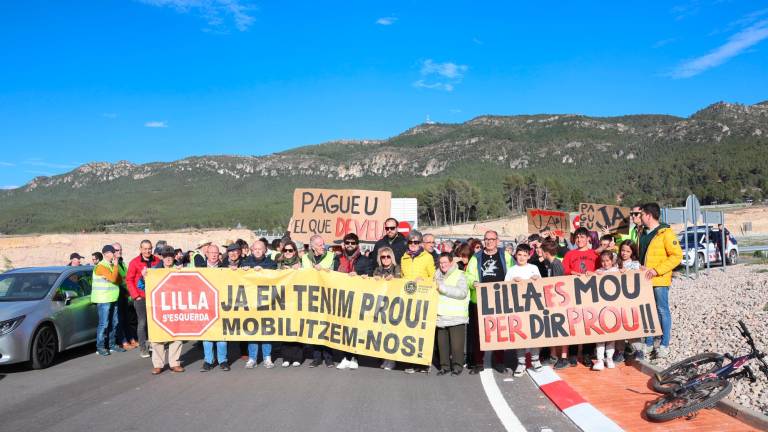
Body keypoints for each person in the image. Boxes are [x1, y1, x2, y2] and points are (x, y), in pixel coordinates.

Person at [638, 202, 683, 360]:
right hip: (644, 280)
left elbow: (677, 256)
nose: (640, 217)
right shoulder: (642, 233)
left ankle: (664, 345)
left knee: (662, 310)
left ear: (649, 215)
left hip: (659, 280)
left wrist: (656, 270)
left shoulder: (665, 233)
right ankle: (649, 342)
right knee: (648, 311)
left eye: (641, 214)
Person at [465, 230, 513, 374]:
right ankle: (479, 362)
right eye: (486, 239)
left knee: (499, 331)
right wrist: (473, 283)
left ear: (497, 240)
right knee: (478, 333)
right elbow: (468, 275)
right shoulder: (476, 257)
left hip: (500, 300)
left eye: (492, 239)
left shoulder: (505, 256)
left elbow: (512, 273)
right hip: (479, 300)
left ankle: (499, 361)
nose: (489, 241)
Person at [332, 233, 370, 370]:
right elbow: (332, 276)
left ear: (357, 245)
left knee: (355, 329)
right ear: (344, 244)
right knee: (343, 329)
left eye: (352, 243)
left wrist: (359, 277)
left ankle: (355, 357)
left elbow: (370, 277)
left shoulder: (365, 260)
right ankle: (345, 357)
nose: (349, 245)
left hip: (358, 300)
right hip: (341, 299)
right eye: (347, 242)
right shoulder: (337, 259)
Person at [400, 230, 436, 374]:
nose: (413, 244)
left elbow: (433, 277)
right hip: (408, 298)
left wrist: (423, 281)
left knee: (422, 331)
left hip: (423, 298)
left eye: (416, 242)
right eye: (411, 242)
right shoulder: (404, 258)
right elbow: (402, 276)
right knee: (409, 330)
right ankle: (411, 361)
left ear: (420, 243)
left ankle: (423, 362)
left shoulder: (427, 257)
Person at [505, 244, 542, 376]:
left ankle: (535, 360)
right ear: (516, 255)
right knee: (520, 335)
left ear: (529, 256)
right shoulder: (511, 270)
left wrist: (537, 279)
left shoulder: (534, 268)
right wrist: (512, 282)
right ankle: (521, 363)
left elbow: (542, 287)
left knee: (535, 333)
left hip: (533, 306)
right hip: (517, 307)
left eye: (525, 255)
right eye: (519, 254)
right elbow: (504, 288)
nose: (522, 257)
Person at [149, 247, 185, 374]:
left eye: (171, 256)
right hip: (159, 307)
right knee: (157, 335)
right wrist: (144, 277)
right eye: (166, 256)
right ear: (161, 257)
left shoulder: (181, 269)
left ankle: (174, 362)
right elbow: (141, 285)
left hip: (176, 307)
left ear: (174, 257)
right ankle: (158, 364)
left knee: (177, 335)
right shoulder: (153, 271)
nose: (168, 258)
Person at [301, 235, 335, 368]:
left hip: (326, 295)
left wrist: (324, 270)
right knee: (315, 327)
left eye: (323, 244)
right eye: (320, 245)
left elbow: (334, 274)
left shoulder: (331, 256)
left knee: (326, 326)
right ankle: (316, 357)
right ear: (312, 246)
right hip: (312, 296)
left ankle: (328, 357)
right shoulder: (304, 258)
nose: (323, 247)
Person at [435, 253, 469, 376]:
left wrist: (443, 288)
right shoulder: (436, 275)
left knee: (456, 346)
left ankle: (457, 366)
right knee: (442, 345)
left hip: (456, 315)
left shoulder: (460, 274)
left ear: (451, 263)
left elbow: (462, 293)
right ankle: (445, 366)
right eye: (441, 262)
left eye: (445, 262)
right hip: (440, 315)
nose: (443, 265)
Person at [244, 240, 277, 369]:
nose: (257, 251)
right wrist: (245, 270)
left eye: (260, 249)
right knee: (252, 330)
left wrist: (264, 270)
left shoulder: (271, 263)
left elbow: (276, 276)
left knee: (266, 330)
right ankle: (252, 358)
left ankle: (267, 357)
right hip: (251, 303)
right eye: (255, 249)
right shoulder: (246, 263)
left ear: (265, 250)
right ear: (252, 250)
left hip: (266, 302)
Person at [126, 239, 161, 358]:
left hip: (155, 297)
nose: (147, 251)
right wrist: (136, 296)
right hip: (141, 297)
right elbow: (129, 280)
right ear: (140, 249)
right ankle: (143, 348)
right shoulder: (134, 262)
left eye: (149, 248)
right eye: (145, 249)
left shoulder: (157, 261)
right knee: (143, 322)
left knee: (155, 321)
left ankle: (153, 344)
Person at [200, 244, 231, 372]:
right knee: (207, 335)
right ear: (206, 254)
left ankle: (223, 360)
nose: (213, 255)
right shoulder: (198, 269)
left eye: (216, 253)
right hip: (205, 305)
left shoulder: (225, 269)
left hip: (221, 305)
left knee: (222, 336)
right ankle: (208, 360)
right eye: (211, 252)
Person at [92, 245, 126, 356]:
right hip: (103, 299)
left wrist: (114, 273)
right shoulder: (101, 266)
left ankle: (112, 345)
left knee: (114, 323)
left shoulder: (110, 265)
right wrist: (115, 269)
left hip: (112, 298)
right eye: (113, 252)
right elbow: (113, 278)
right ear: (106, 253)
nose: (115, 254)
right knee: (104, 324)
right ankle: (100, 347)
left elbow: (119, 280)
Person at [541, 240, 570, 369]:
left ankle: (564, 357)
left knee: (562, 330)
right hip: (553, 301)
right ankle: (553, 355)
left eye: (542, 251)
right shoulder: (551, 263)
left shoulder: (556, 265)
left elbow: (559, 285)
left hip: (559, 302)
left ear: (546, 253)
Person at [276, 240, 303, 367]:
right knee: (285, 328)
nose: (287, 252)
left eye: (290, 250)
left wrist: (296, 270)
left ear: (294, 251)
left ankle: (297, 357)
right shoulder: (279, 263)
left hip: (297, 299)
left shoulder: (301, 263)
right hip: (283, 299)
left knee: (297, 328)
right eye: (285, 250)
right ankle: (286, 357)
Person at [592, 250, 619, 370]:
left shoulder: (617, 271)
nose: (605, 263)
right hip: (600, 308)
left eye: (607, 260)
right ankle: (599, 359)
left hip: (614, 308)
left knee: (611, 336)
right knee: (600, 336)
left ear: (612, 260)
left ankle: (609, 358)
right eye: (602, 261)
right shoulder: (598, 272)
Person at [113, 242, 138, 351]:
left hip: (125, 294)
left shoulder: (122, 263)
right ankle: (122, 341)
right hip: (117, 294)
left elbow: (127, 277)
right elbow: (119, 280)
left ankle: (130, 338)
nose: (120, 252)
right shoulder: (113, 264)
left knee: (126, 319)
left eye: (120, 249)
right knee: (119, 320)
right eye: (117, 250)